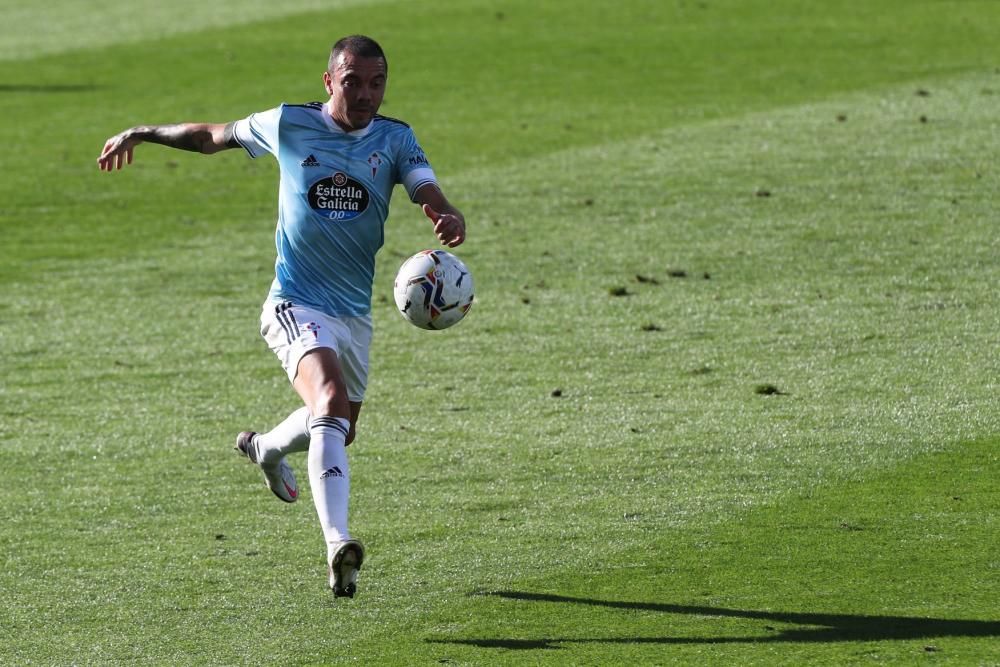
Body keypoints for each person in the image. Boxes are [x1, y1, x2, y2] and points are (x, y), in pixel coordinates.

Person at [97, 35, 466, 598]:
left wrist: (444, 212)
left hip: (353, 313)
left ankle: (266, 448)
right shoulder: (289, 123)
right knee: (328, 404)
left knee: (340, 425)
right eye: (353, 82)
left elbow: (424, 187)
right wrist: (144, 132)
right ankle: (338, 543)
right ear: (329, 82)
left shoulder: (395, 137)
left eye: (376, 83)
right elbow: (211, 137)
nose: (365, 94)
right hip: (294, 301)